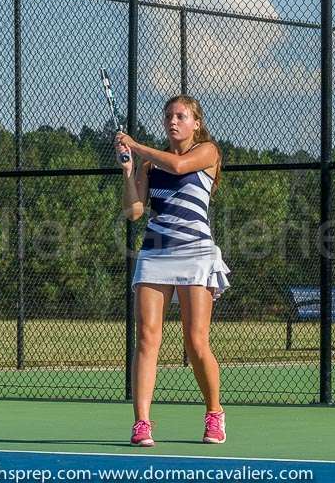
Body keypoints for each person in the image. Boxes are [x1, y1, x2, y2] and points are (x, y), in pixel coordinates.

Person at [114, 95, 231, 447]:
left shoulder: (208, 152)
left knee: (196, 342)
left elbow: (180, 168)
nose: (173, 121)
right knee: (148, 338)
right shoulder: (150, 166)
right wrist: (129, 171)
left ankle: (214, 413)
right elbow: (134, 211)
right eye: (169, 116)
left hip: (196, 255)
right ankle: (142, 423)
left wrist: (137, 145)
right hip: (155, 255)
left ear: (196, 122)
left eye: (181, 116)